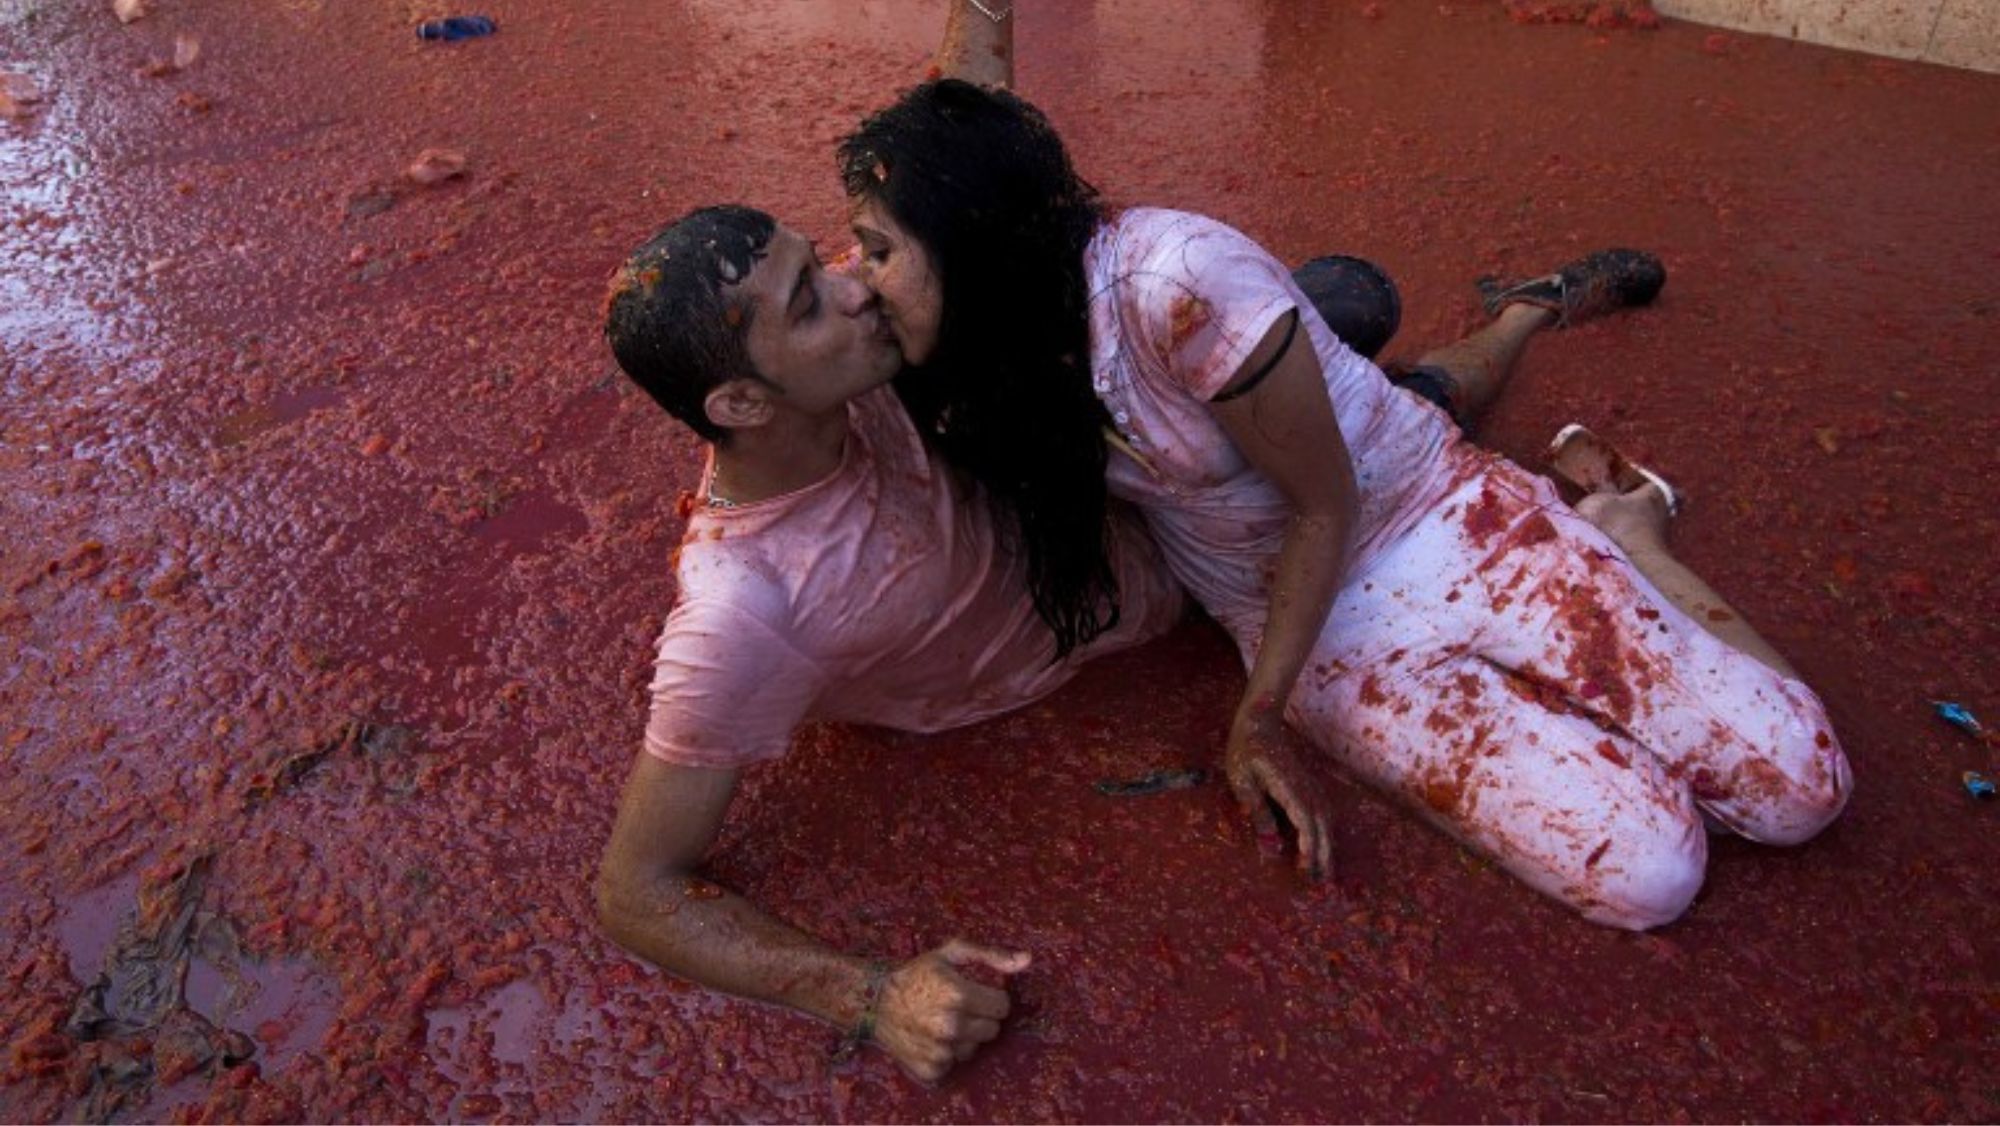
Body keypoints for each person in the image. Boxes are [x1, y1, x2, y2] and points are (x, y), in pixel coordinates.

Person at [836, 2, 1851, 928]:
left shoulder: (1171, 281)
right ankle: (1599, 539)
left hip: (1425, 510)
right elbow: (958, 116)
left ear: (969, 239)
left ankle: (1571, 408)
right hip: (1311, 626)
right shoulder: (969, 331)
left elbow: (1323, 501)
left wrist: (1257, 718)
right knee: (1647, 876)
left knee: (1802, 790)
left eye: (874, 251)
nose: (856, 284)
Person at [594, 204, 1187, 1082]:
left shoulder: (838, 362)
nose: (854, 287)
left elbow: (961, 120)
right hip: (1139, 646)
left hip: (1135, 506)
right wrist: (868, 997)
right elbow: (635, 895)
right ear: (743, 402)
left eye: (820, 260)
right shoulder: (743, 615)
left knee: (1330, 311)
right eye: (807, 301)